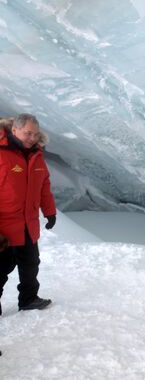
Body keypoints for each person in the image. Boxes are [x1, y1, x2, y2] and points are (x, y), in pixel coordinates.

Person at [0, 113, 57, 316]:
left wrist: (50, 212)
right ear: (14, 130)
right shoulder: (1, 152)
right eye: (28, 133)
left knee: (31, 265)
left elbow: (44, 187)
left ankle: (29, 299)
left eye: (35, 134)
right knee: (1, 268)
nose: (32, 138)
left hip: (27, 225)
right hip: (4, 227)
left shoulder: (37, 155)